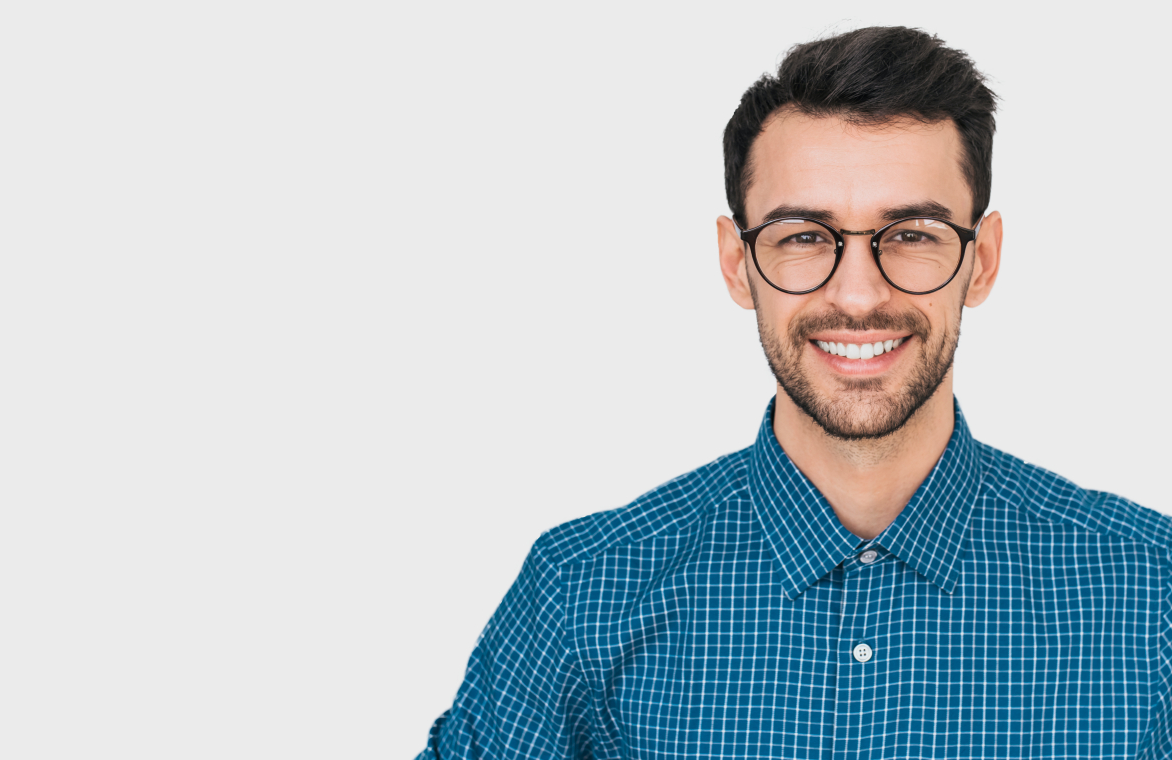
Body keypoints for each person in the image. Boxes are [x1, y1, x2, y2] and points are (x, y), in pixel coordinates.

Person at [416, 26, 1172, 759]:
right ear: (736, 263)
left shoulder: (1151, 594)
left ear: (982, 260)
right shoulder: (581, 597)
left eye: (911, 232)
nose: (858, 294)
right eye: (804, 236)